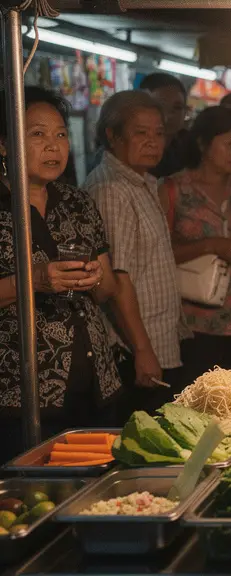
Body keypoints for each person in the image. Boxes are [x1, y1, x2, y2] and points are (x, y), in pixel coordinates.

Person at [0, 87, 122, 461]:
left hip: (96, 382)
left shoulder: (77, 201)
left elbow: (107, 289)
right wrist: (35, 279)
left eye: (61, 134)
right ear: (4, 145)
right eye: (37, 134)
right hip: (21, 396)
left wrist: (94, 278)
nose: (53, 146)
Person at [84, 91, 187, 414]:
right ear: (113, 136)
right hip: (132, 347)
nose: (153, 142)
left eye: (159, 133)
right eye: (141, 133)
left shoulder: (140, 183)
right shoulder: (112, 190)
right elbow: (117, 279)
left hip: (156, 337)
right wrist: (142, 349)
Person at [159, 106, 231, 386]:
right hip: (198, 320)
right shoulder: (173, 189)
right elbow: (159, 255)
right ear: (203, 143)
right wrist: (211, 245)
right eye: (229, 144)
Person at [140, 73, 189, 179]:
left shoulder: (189, 151)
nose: (168, 116)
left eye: (177, 107)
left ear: (185, 112)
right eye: (159, 107)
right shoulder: (127, 151)